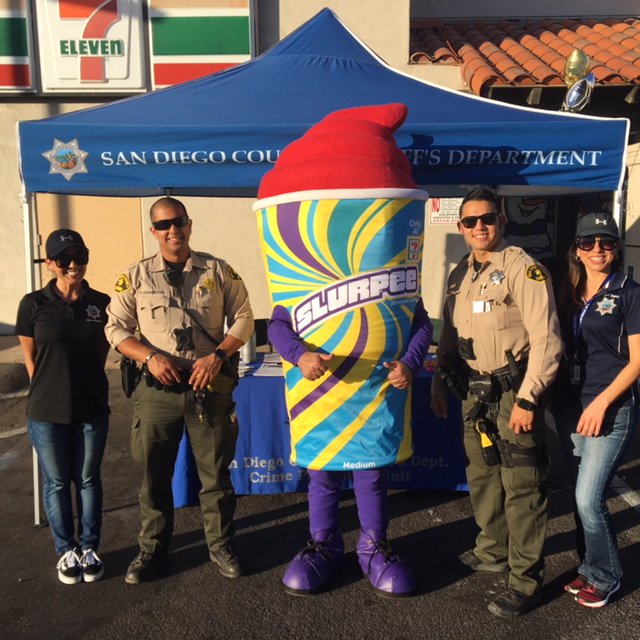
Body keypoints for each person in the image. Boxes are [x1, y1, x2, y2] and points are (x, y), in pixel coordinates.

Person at [105, 197, 254, 584]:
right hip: (158, 390)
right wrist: (149, 357)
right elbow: (115, 328)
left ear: (190, 225)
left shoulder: (218, 271)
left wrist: (218, 356)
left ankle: (221, 545)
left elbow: (243, 318)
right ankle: (152, 551)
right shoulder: (136, 276)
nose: (173, 229)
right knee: (155, 477)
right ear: (153, 230)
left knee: (215, 477)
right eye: (164, 224)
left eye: (179, 221)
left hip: (208, 386)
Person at [430, 187, 563, 618]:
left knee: (522, 485)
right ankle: (492, 551)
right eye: (471, 221)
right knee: (484, 476)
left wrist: (528, 398)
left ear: (502, 221)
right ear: (461, 227)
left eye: (488, 218)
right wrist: (438, 385)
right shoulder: (459, 274)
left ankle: (525, 580)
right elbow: (449, 335)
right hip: (474, 392)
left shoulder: (523, 269)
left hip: (513, 394)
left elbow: (547, 340)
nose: (480, 226)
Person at [550, 212, 640, 608]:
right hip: (570, 405)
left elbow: (638, 361)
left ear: (617, 249)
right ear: (577, 249)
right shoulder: (567, 291)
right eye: (589, 242)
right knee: (578, 496)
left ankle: (607, 576)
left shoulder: (629, 292)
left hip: (610, 408)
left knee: (590, 498)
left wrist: (603, 402)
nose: (597, 249)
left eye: (606, 242)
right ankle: (588, 566)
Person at [16, 229, 110, 585]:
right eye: (64, 259)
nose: (73, 265)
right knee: (56, 482)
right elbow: (31, 359)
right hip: (47, 410)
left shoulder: (101, 303)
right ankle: (65, 550)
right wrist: (50, 387)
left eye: (79, 257)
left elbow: (101, 353)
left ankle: (89, 548)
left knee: (87, 479)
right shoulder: (32, 304)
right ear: (50, 263)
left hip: (91, 405)